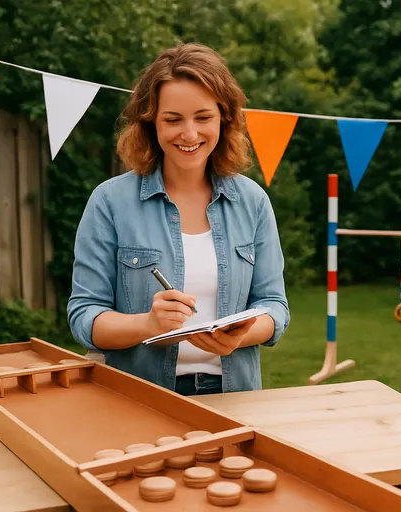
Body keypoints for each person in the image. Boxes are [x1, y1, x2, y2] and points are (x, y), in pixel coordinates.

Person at [66, 42, 290, 396]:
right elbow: (84, 317)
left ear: (224, 118)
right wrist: (148, 323)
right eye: (173, 119)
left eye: (203, 118)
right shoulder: (109, 202)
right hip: (140, 399)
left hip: (235, 397)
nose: (189, 134)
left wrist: (242, 332)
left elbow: (274, 306)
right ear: (150, 121)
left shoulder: (253, 202)